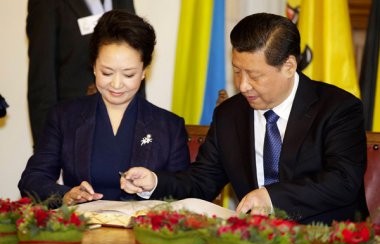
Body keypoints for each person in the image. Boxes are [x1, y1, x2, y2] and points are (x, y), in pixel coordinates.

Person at [121, 13, 369, 225]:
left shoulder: (338, 108)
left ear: (289, 66)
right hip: (253, 239)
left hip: (328, 237)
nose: (243, 85)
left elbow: (343, 180)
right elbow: (202, 182)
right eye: (237, 71)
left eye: (254, 75)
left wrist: (271, 197)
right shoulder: (230, 114)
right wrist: (154, 182)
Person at [18, 10, 190, 206]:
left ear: (144, 71)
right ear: (93, 66)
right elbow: (32, 180)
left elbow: (184, 189)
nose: (116, 84)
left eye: (128, 74)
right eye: (107, 72)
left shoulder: (168, 126)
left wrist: (153, 184)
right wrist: (65, 195)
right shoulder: (64, 117)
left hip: (142, 232)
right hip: (82, 230)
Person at [26, 0, 141, 146]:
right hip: (74, 131)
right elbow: (42, 80)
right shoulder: (47, 4)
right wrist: (47, 149)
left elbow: (136, 59)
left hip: (125, 127)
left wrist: (141, 131)